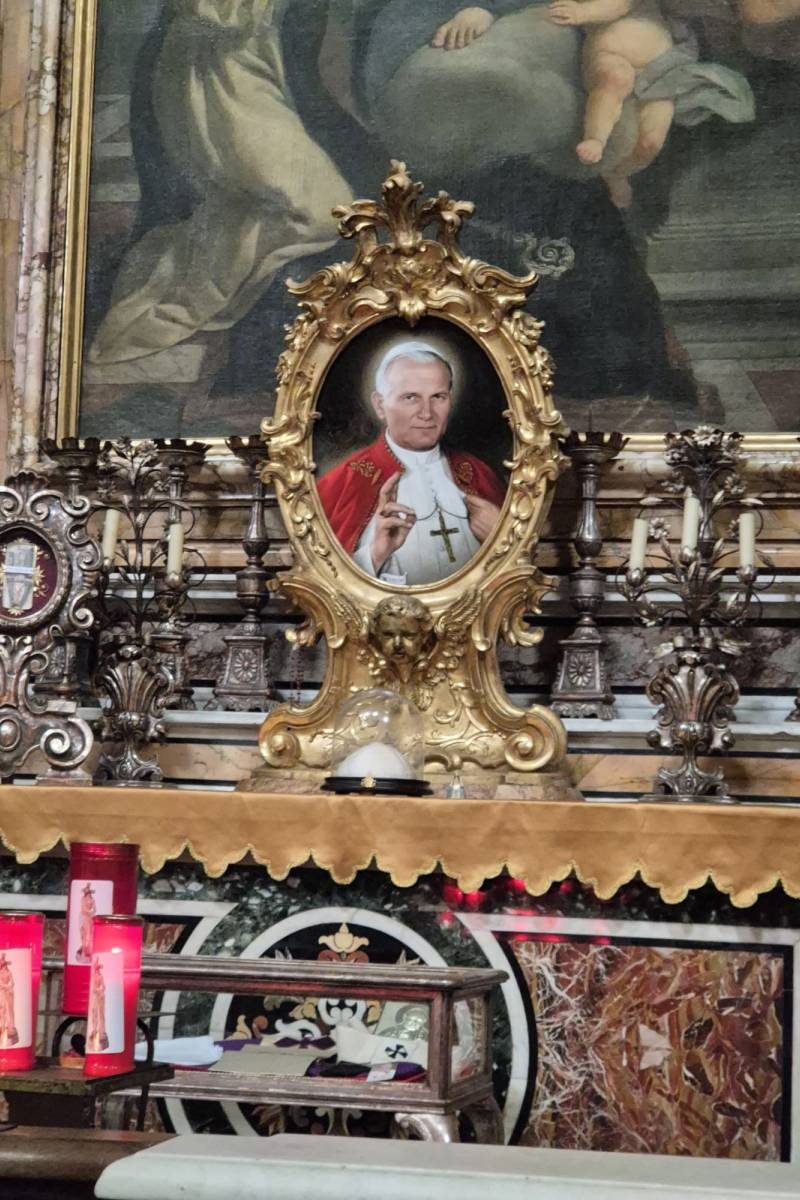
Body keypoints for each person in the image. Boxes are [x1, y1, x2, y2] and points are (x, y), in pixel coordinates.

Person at [317, 343, 506, 586]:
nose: (427, 413)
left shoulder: (479, 473)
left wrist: (500, 536)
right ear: (380, 405)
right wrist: (375, 554)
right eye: (410, 398)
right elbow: (324, 581)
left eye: (438, 397)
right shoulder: (343, 483)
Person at [548, 0, 754, 207]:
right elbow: (619, 4)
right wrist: (583, 12)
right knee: (615, 78)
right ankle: (595, 138)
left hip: (661, 73)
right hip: (611, 58)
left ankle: (618, 173)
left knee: (651, 142)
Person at [87, 957, 109, 1052]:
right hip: (94, 996)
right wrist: (96, 990)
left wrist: (100, 990)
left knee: (100, 1014)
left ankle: (100, 1033)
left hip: (100, 996)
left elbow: (104, 986)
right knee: (94, 1013)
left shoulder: (100, 976)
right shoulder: (92, 976)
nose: (97, 970)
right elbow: (92, 987)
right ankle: (94, 1031)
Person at [0, 953, 19, 1048]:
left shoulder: (9, 973)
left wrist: (8, 986)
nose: (3, 967)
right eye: (2, 965)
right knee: (2, 1009)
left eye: (4, 965)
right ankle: (2, 1027)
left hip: (8, 993)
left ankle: (10, 1028)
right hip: (1, 993)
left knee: (9, 1010)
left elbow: (12, 982)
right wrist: (5, 986)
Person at [78, 882, 96, 961]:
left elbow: (95, 909)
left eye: (88, 892)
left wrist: (91, 912)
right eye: (86, 892)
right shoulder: (83, 899)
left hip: (89, 918)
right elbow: (83, 909)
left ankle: (88, 951)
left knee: (89, 935)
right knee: (83, 934)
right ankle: (84, 951)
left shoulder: (92, 900)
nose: (87, 893)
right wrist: (90, 912)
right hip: (83, 917)